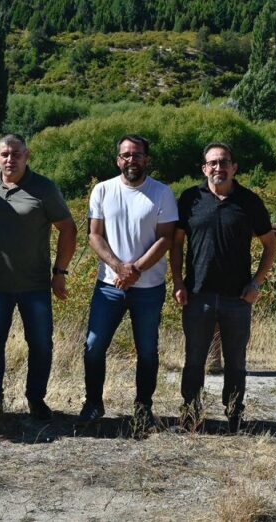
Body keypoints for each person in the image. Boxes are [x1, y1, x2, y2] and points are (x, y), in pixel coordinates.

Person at [0, 134, 77, 423]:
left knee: (40, 343)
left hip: (35, 284)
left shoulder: (44, 188)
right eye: (4, 154)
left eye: (16, 154)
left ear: (27, 156)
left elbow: (68, 228)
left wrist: (60, 272)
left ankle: (36, 398)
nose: (10, 160)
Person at [171, 142, 276, 434]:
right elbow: (176, 244)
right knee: (194, 360)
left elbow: (270, 245)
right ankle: (191, 416)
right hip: (197, 295)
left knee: (236, 362)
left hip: (237, 298)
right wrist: (178, 282)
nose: (219, 168)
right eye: (213, 163)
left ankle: (234, 417)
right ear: (204, 168)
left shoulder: (249, 201)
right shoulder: (190, 199)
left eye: (224, 162)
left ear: (234, 167)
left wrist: (257, 283)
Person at [80, 135, 177, 431]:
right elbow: (94, 235)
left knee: (147, 351)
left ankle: (143, 407)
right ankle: (93, 403)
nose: (131, 160)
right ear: (118, 160)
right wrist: (119, 268)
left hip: (149, 287)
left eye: (136, 155)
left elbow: (166, 238)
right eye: (125, 155)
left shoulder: (162, 193)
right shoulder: (103, 190)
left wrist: (135, 270)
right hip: (109, 286)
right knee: (94, 346)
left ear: (147, 159)